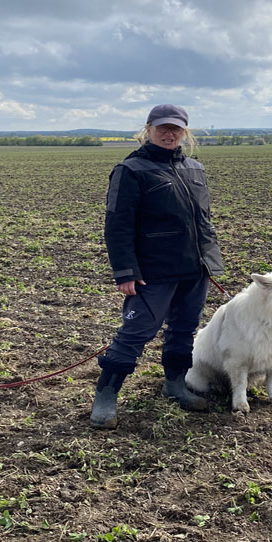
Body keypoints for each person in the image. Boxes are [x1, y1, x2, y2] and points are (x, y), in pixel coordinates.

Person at [91, 104, 225, 429]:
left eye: (176, 129)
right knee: (135, 333)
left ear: (184, 133)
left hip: (195, 269)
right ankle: (106, 396)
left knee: (184, 331)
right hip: (153, 271)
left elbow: (202, 220)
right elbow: (117, 225)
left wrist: (209, 260)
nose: (169, 134)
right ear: (148, 129)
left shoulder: (195, 168)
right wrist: (125, 271)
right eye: (163, 128)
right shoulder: (131, 170)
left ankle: (175, 385)